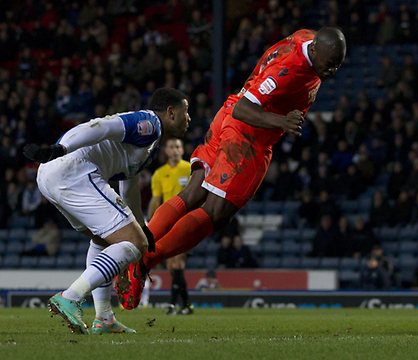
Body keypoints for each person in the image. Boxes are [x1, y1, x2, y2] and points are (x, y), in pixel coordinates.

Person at [117, 27, 347, 309]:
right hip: (246, 133)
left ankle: (134, 250)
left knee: (193, 193)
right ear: (314, 51)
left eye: (338, 63)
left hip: (227, 117)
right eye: (329, 63)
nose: (333, 69)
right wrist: (282, 122)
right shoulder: (290, 69)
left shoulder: (307, 38)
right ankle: (144, 262)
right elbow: (245, 108)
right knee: (216, 212)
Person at [23, 88, 190, 334]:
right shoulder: (150, 123)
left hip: (52, 177)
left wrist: (141, 225)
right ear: (171, 112)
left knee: (104, 239)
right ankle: (71, 296)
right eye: (186, 113)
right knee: (135, 244)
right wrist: (61, 148)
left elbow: (128, 183)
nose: (189, 119)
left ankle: (104, 317)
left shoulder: (150, 145)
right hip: (73, 169)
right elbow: (102, 126)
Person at [148, 138, 193, 316]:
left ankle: (173, 304)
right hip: (167, 221)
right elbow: (156, 199)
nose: (175, 150)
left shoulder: (189, 169)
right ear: (166, 151)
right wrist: (150, 223)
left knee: (178, 261)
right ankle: (187, 305)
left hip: (184, 220)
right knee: (172, 266)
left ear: (182, 150)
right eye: (171, 147)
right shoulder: (159, 173)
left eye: (178, 147)